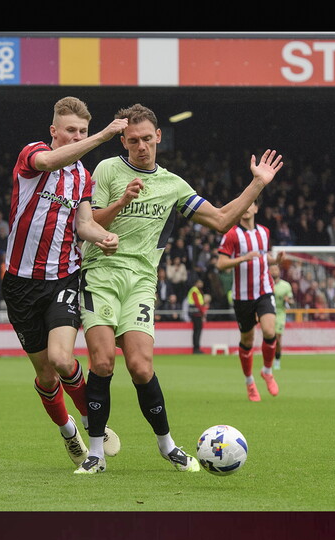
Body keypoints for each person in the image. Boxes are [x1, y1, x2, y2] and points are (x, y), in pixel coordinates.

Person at [75, 102, 283, 474]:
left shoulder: (172, 185)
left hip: (141, 280)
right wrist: (123, 201)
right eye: (133, 140)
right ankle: (96, 453)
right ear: (123, 141)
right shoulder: (107, 169)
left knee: (140, 367)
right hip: (101, 272)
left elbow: (221, 220)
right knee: (103, 361)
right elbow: (89, 221)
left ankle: (167, 446)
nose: (141, 146)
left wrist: (257, 184)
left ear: (158, 137)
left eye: (146, 139)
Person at [2, 96, 128, 468]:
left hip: (63, 278)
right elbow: (50, 160)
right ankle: (68, 432)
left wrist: (101, 236)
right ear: (54, 132)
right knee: (44, 374)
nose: (76, 137)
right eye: (70, 131)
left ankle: (92, 423)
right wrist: (104, 136)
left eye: (83, 132)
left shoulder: (82, 178)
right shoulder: (33, 156)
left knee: (61, 358)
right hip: (20, 284)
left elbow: (84, 223)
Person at [215, 199, 284, 401]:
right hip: (242, 295)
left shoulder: (264, 232)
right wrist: (243, 258)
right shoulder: (232, 234)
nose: (246, 209)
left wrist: (276, 260)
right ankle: (249, 382)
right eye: (243, 206)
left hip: (264, 290)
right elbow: (221, 264)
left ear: (256, 208)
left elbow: (263, 257)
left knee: (270, 331)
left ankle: (267, 371)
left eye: (250, 205)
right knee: (248, 340)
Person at [269, 263, 294, 370]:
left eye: (276, 269)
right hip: (268, 313)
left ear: (279, 272)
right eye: (272, 270)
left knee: (277, 338)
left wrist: (288, 300)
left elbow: (292, 300)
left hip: (280, 313)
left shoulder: (286, 285)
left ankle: (277, 360)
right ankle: (268, 361)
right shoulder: (265, 285)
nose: (274, 271)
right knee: (269, 338)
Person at [185, 277, 208, 354]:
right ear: (196, 283)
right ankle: (196, 348)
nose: (201, 284)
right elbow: (197, 303)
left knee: (196, 331)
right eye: (200, 283)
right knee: (197, 330)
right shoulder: (195, 291)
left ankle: (196, 348)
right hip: (196, 313)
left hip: (195, 312)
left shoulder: (196, 291)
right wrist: (202, 312)